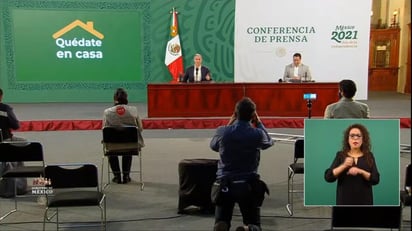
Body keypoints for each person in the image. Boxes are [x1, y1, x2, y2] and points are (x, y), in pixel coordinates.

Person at [210, 97, 274, 231]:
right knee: (254, 224)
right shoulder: (257, 134)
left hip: (225, 183)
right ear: (252, 115)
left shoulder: (223, 131)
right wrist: (259, 123)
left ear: (235, 113)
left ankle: (222, 226)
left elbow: (214, 146)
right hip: (248, 184)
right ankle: (247, 229)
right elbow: (268, 142)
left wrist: (229, 123)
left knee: (221, 221)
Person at [324, 123, 380, 205]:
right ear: (348, 139)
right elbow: (328, 177)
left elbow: (376, 179)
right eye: (352, 136)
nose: (355, 138)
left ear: (363, 139)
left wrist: (360, 171)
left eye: (358, 136)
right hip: (344, 200)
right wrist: (344, 166)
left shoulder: (369, 156)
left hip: (365, 201)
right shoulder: (340, 155)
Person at [103, 88, 144, 184]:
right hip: (131, 145)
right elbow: (140, 128)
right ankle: (126, 176)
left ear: (114, 99)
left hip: (112, 146)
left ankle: (117, 176)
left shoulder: (107, 112)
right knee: (128, 144)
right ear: (126, 98)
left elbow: (104, 129)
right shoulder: (134, 110)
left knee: (109, 145)